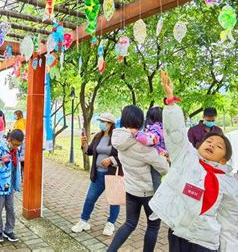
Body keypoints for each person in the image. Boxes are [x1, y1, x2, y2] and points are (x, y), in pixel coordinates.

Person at [149, 71, 238, 252]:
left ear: (224, 159)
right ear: (199, 145)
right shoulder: (187, 158)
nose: (212, 144)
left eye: (219, 146)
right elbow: (176, 133)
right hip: (178, 231)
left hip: (204, 240)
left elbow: (232, 220)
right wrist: (170, 101)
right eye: (208, 141)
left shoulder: (228, 183)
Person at [107, 106, 169, 252]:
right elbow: (164, 169)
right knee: (153, 226)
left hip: (131, 189)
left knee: (129, 223)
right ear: (140, 120)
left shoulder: (118, 139)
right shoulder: (142, 145)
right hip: (148, 192)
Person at [71, 113, 122, 237]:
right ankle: (83, 221)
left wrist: (111, 160)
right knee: (90, 198)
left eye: (104, 121)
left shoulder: (117, 138)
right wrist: (84, 144)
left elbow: (124, 156)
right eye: (100, 121)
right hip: (98, 174)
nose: (101, 124)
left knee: (114, 201)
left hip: (112, 175)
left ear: (110, 123)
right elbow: (89, 152)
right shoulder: (98, 136)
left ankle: (110, 224)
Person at [0, 129, 24, 243]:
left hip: (9, 186)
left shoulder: (15, 151)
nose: (16, 146)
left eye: (19, 144)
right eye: (15, 144)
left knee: (11, 209)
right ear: (9, 140)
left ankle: (9, 230)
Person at [135, 106, 168, 191]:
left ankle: (156, 201)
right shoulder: (164, 127)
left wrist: (137, 134)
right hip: (161, 157)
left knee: (155, 183)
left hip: (155, 158)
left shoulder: (156, 127)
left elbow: (151, 140)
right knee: (156, 181)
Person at [12, 110, 26, 175]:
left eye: (15, 115)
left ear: (19, 115)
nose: (14, 116)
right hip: (19, 141)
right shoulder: (19, 121)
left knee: (21, 158)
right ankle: (22, 174)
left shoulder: (20, 122)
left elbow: (20, 132)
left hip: (19, 141)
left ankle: (22, 174)